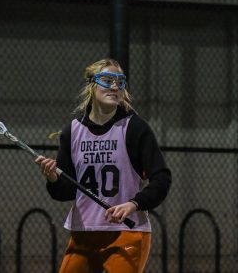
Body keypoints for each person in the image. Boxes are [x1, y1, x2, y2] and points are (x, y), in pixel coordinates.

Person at [36, 58, 171, 273]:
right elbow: (66, 191)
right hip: (84, 233)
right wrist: (52, 177)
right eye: (107, 80)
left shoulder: (134, 127)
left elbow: (162, 178)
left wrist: (133, 204)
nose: (115, 87)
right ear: (92, 85)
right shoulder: (72, 131)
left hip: (127, 232)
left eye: (120, 82)